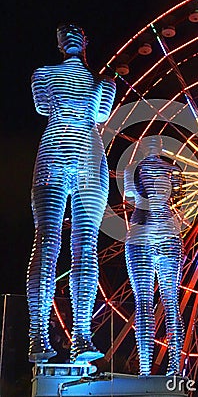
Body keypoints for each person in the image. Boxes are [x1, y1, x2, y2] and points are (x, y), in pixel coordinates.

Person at [27, 23, 116, 363]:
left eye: (77, 33)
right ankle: (40, 335)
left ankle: (79, 335)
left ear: (84, 40)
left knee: (80, 244)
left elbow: (47, 106)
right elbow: (50, 107)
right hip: (73, 152)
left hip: (79, 154)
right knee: (51, 241)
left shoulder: (98, 83)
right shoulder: (49, 73)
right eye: (67, 33)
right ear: (61, 42)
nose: (73, 37)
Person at [124, 136, 184, 376]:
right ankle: (174, 367)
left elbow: (129, 196)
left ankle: (145, 370)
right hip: (169, 232)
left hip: (140, 232)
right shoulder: (175, 170)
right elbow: (179, 198)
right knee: (171, 303)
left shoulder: (132, 169)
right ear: (161, 148)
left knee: (143, 304)